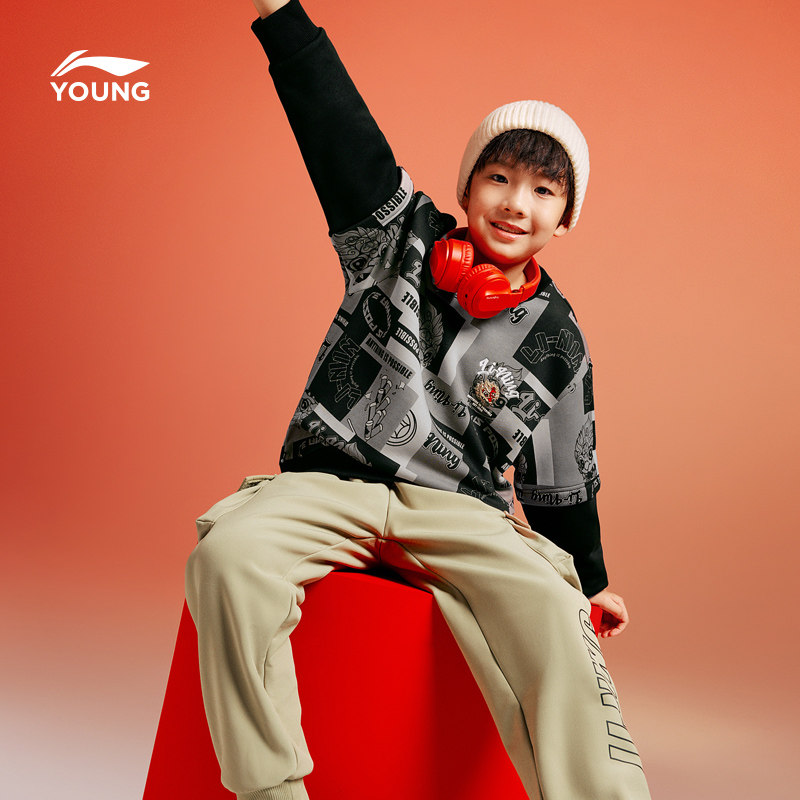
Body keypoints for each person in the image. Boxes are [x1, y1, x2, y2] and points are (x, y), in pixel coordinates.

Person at [185, 1, 652, 798]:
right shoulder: (395, 236)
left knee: (557, 615)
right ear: (467, 186)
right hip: (332, 484)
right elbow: (335, 126)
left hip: (462, 513)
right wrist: (279, 14)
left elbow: (562, 479)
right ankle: (270, 789)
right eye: (499, 178)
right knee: (227, 559)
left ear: (564, 218)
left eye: (544, 190)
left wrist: (592, 577)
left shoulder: (559, 339)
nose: (516, 203)